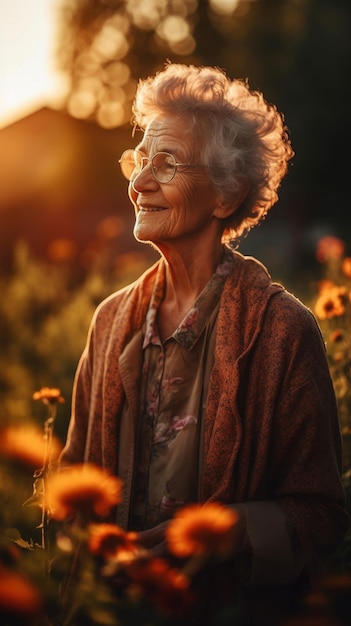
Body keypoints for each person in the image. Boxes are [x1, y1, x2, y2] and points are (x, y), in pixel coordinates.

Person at [60, 63, 348, 625]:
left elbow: (320, 515)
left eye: (165, 163)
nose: (140, 181)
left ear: (225, 194)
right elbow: (74, 475)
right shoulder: (110, 320)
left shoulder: (284, 331)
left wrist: (231, 533)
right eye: (139, 160)